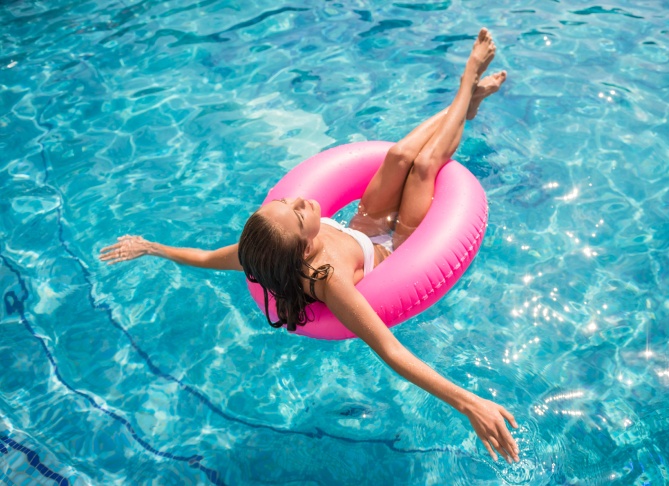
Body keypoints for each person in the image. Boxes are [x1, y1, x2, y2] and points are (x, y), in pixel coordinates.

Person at [100, 28, 518, 463]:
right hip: (398, 244)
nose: (300, 199)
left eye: (286, 202)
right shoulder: (328, 280)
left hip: (363, 226)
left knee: (397, 156)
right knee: (425, 166)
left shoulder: (264, 251)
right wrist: (469, 403)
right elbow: (390, 351)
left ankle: (467, 102)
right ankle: (467, 84)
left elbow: (206, 257)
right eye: (299, 213)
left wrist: (152, 247)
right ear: (303, 249)